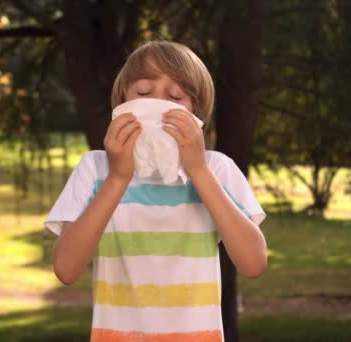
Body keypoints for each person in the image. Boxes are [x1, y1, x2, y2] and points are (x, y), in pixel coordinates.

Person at [45, 40, 267, 342]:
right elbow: (67, 270)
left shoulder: (217, 170)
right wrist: (117, 178)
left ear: (197, 114)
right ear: (123, 99)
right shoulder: (96, 169)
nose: (158, 106)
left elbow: (254, 263)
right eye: (144, 93)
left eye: (176, 98)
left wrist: (198, 171)